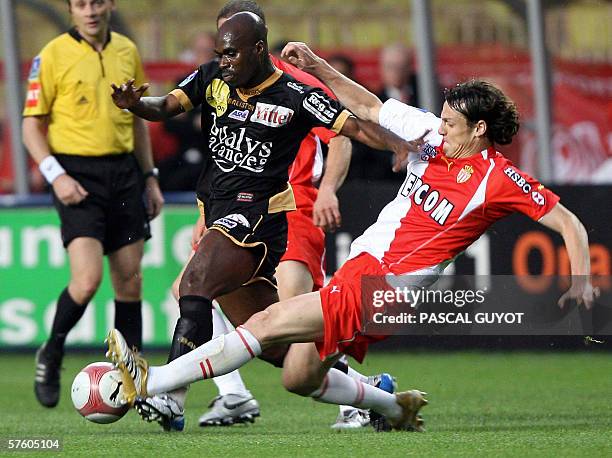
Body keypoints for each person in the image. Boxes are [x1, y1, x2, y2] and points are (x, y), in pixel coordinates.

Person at [106, 43, 599, 433]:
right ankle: (393, 405)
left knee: (269, 321)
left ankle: (154, 381)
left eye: (451, 123)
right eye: (442, 119)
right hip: (363, 266)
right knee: (299, 376)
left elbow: (566, 222)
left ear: (480, 129)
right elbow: (368, 103)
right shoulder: (429, 134)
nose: (440, 127)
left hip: (386, 287)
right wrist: (319, 66)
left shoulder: (498, 179)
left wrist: (579, 279)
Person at [109, 12, 414, 430]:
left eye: (231, 52)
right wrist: (134, 105)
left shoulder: (296, 93)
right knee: (280, 347)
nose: (225, 61)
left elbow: (350, 129)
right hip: (221, 211)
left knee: (194, 287)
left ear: (258, 48)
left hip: (260, 216)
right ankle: (375, 395)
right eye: (220, 51)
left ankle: (166, 390)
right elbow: (165, 106)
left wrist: (399, 145)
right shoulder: (213, 78)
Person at [22, 0, 163, 408]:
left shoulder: (126, 51)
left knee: (130, 282)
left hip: (123, 173)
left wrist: (149, 176)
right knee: (86, 281)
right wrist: (56, 175)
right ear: (71, 9)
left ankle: (133, 380)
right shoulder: (51, 55)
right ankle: (52, 352)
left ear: (110, 5)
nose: (90, 10)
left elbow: (138, 118)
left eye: (97, 2)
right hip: (76, 175)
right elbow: (32, 123)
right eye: (81, 3)